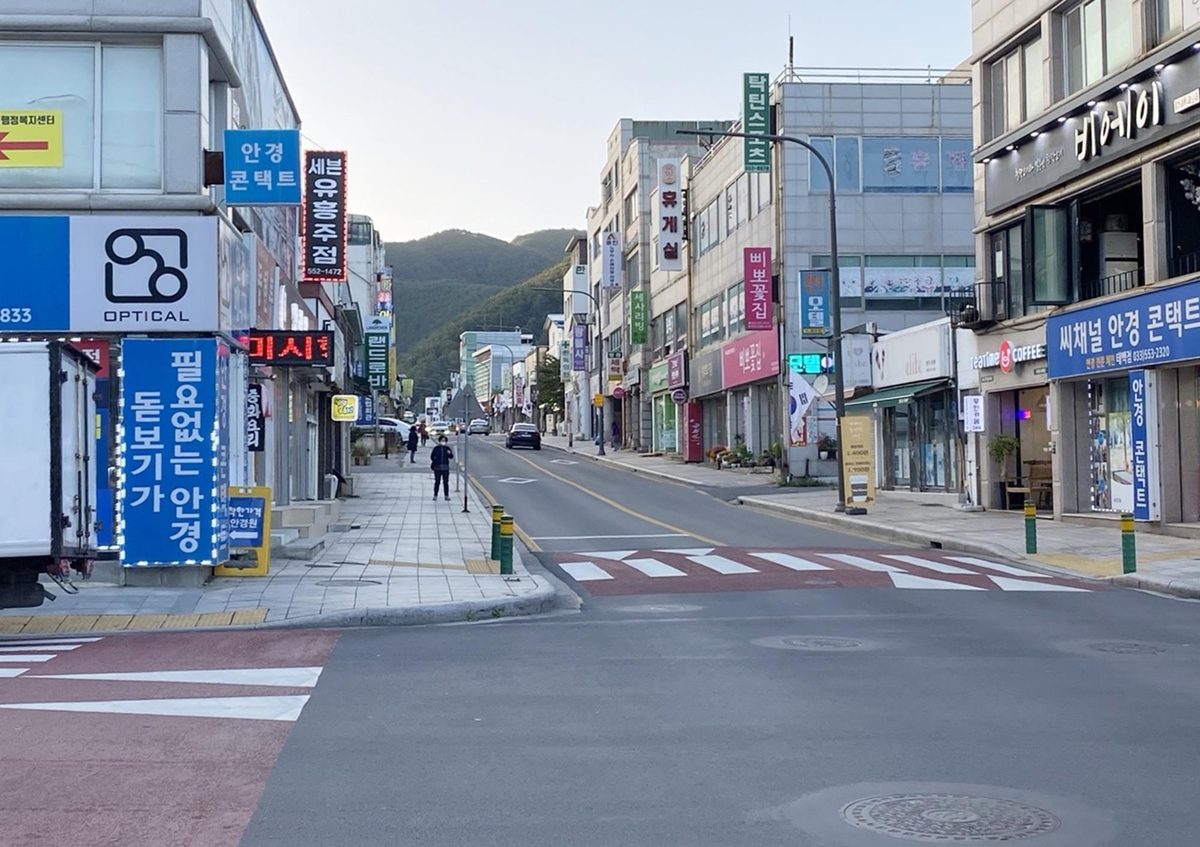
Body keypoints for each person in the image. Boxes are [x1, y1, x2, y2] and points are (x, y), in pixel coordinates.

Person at [430, 435, 454, 501]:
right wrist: (435, 461)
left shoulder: (447, 448)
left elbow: (451, 457)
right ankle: (435, 495)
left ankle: (446, 495)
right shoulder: (436, 448)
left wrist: (449, 453)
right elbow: (432, 456)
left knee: (446, 482)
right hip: (437, 468)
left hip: (445, 468)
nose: (443, 442)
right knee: (437, 482)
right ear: (439, 441)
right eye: (442, 440)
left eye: (444, 440)